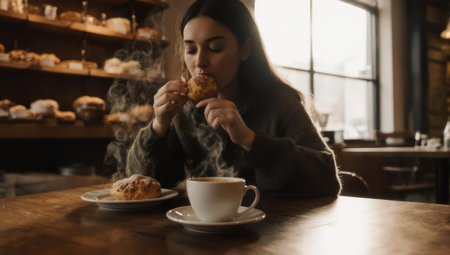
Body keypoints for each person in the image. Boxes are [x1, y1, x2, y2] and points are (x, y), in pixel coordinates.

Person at [126, 0, 341, 197]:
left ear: (245, 49)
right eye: (191, 49)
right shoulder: (184, 109)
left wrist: (250, 139)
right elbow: (143, 186)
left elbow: (328, 180)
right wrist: (157, 127)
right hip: (201, 229)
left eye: (215, 48)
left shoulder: (279, 102)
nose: (200, 61)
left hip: (273, 231)